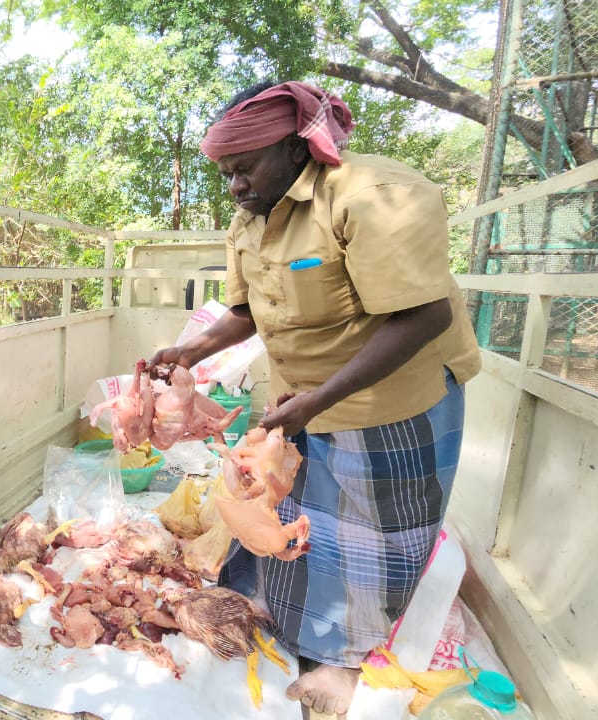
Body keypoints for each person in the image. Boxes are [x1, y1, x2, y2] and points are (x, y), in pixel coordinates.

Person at [149, 81, 480, 716]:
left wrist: (317, 401)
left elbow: (422, 316)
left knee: (373, 532)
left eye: (244, 168)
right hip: (304, 397)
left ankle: (345, 663)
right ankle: (293, 621)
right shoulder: (250, 221)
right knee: (298, 519)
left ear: (296, 145)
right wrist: (189, 352)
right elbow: (245, 312)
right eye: (225, 173)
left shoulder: (371, 195)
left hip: (390, 398)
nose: (235, 186)